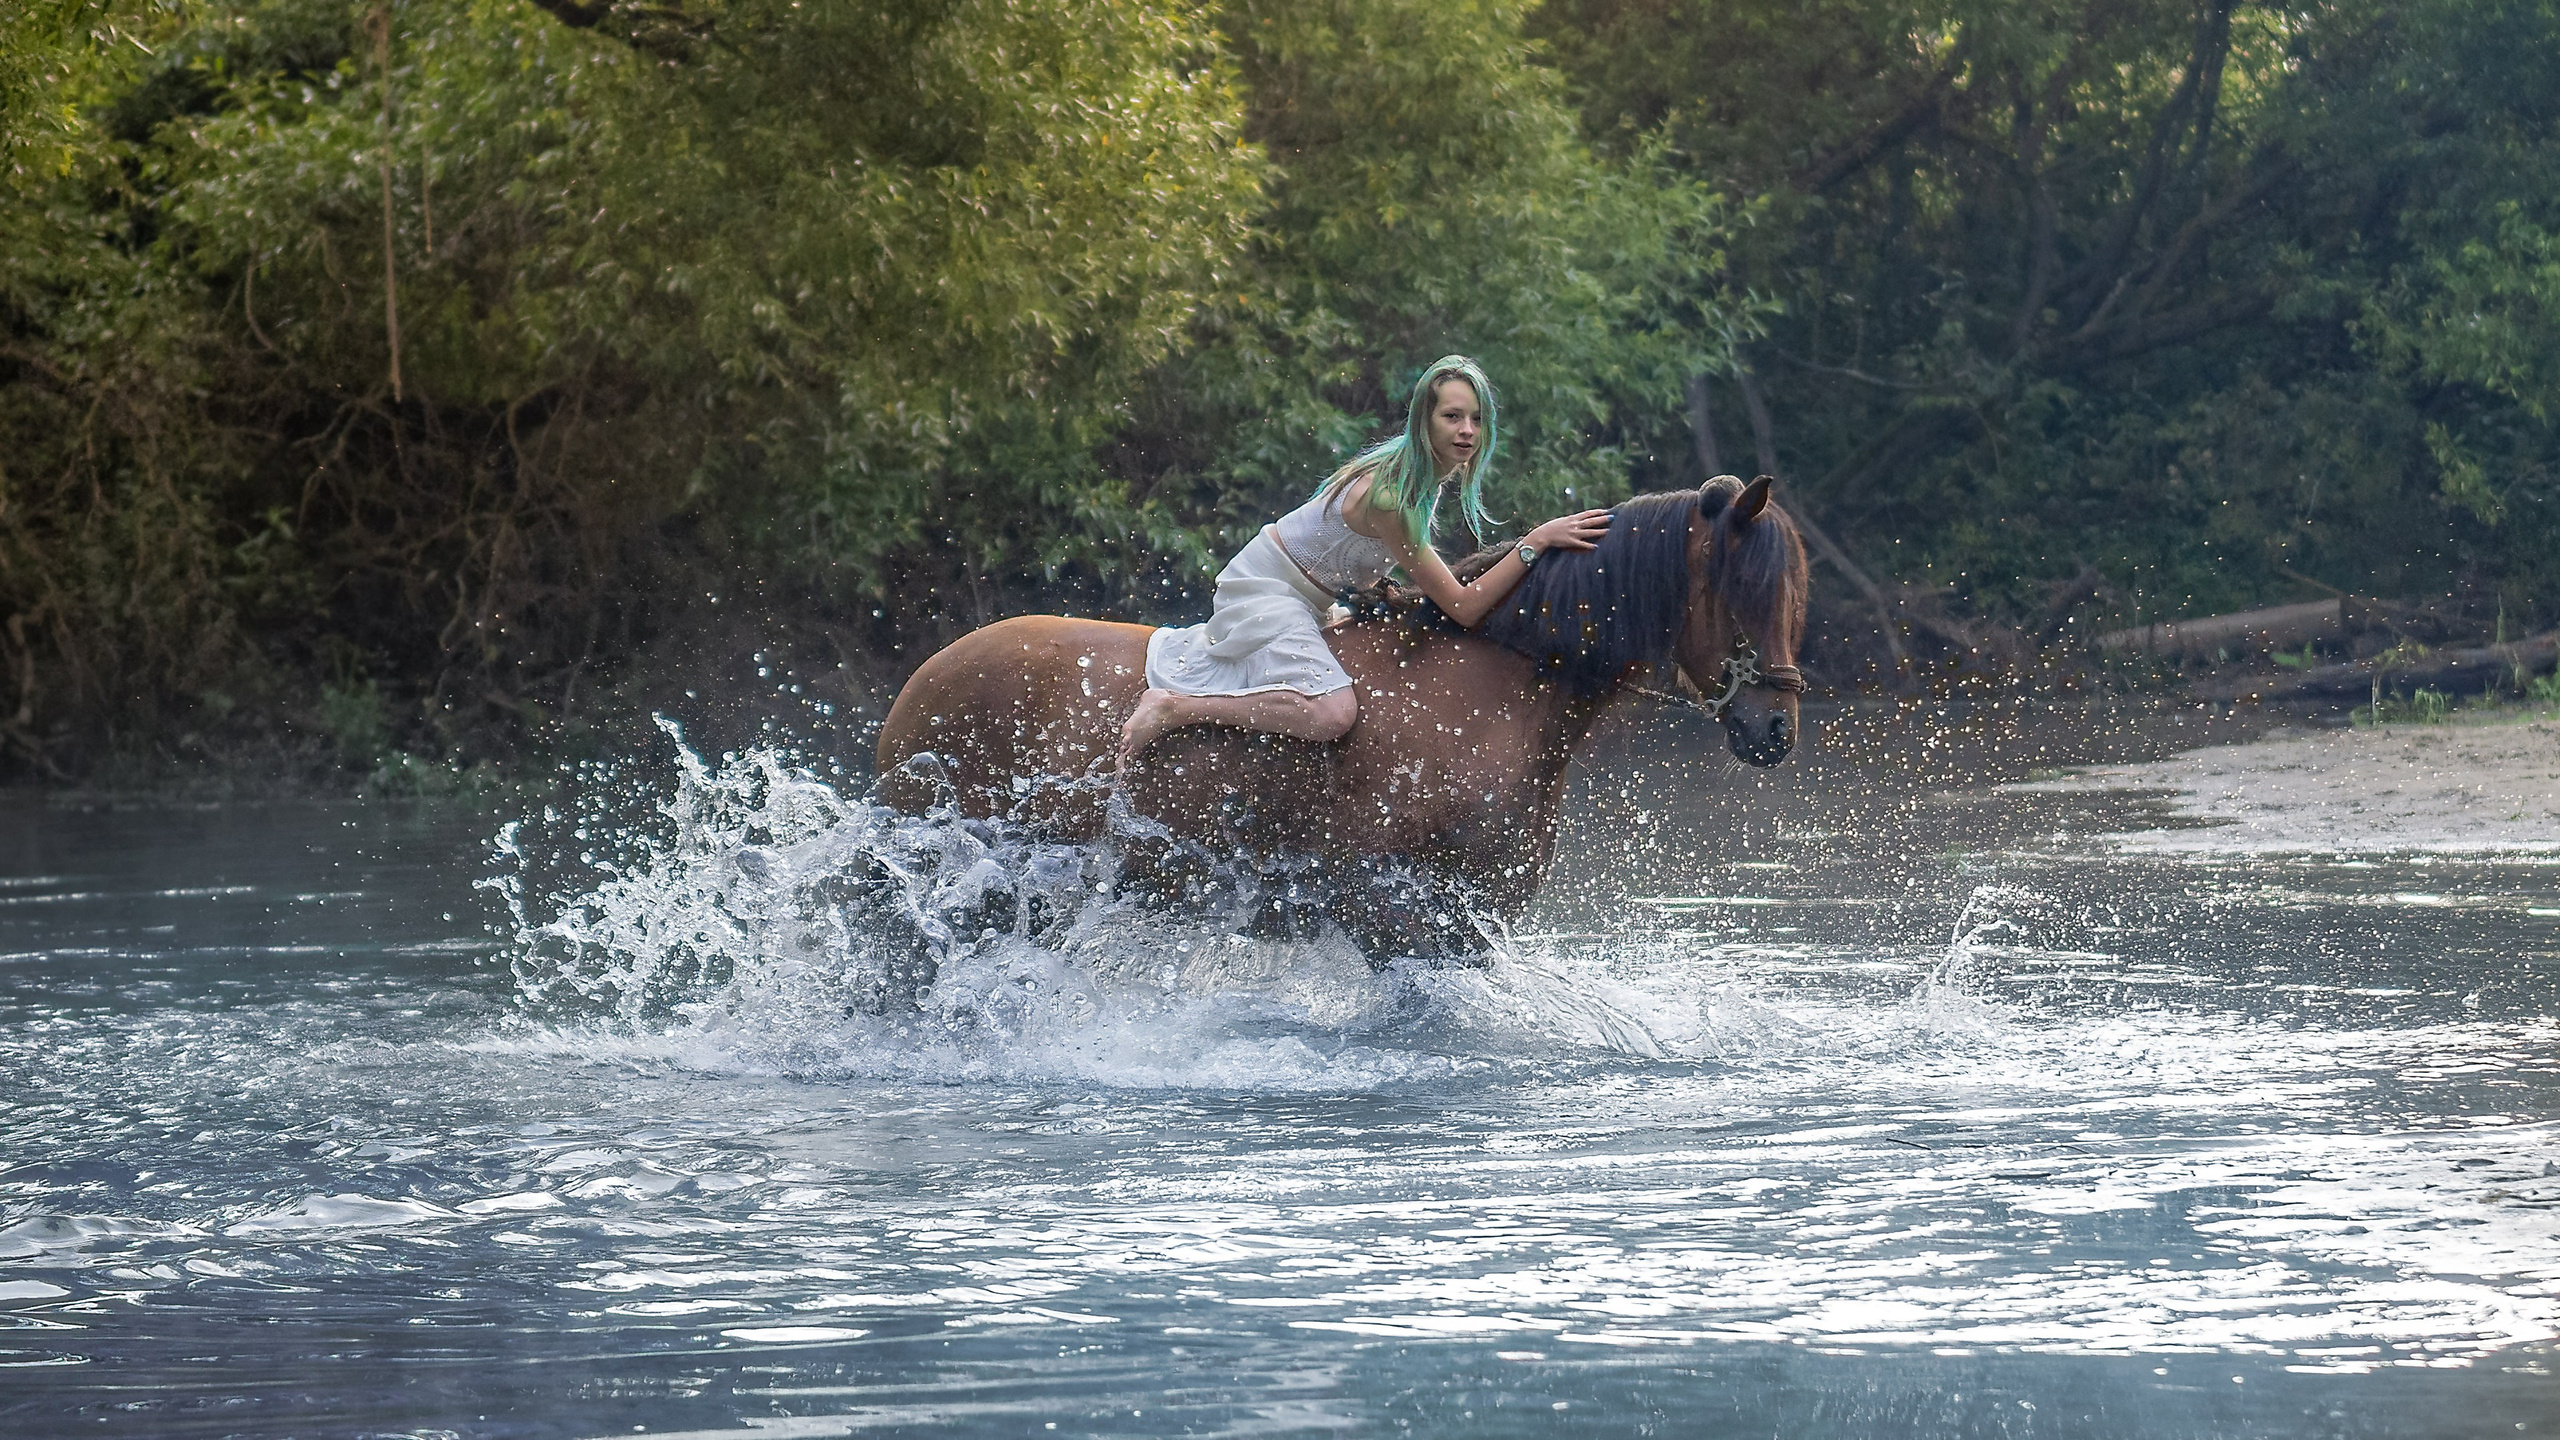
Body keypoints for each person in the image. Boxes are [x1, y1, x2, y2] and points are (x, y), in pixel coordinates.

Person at [1117, 355, 1612, 766]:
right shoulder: (1392, 496)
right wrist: (1536, 543)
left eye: (1477, 419)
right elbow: (1462, 607)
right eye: (1452, 417)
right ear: (1424, 420)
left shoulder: (1425, 475)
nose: (1467, 431)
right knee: (1333, 713)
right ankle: (1174, 706)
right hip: (1269, 590)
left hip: (1314, 597)